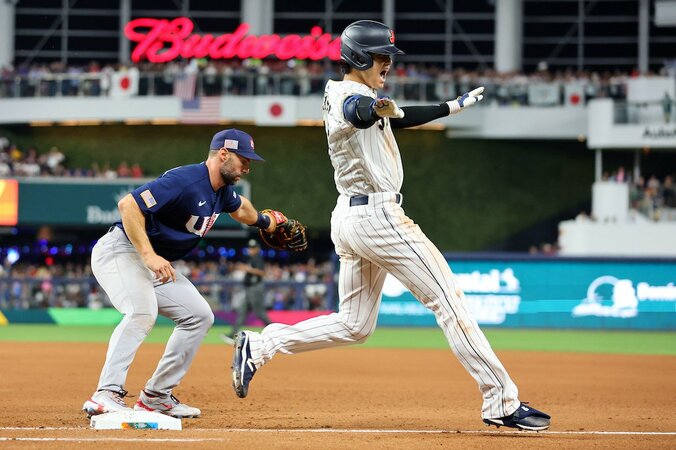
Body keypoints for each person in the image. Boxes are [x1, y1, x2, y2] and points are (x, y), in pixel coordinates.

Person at [231, 20, 551, 431]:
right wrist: (375, 109)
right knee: (449, 302)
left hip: (349, 217)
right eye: (382, 55)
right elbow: (359, 114)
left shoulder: (354, 91)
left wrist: (451, 106)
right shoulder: (351, 96)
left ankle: (261, 344)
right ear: (360, 57)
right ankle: (501, 401)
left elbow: (394, 118)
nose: (388, 63)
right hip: (377, 217)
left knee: (354, 324)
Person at [82, 128, 297, 419]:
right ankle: (105, 394)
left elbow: (241, 209)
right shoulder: (186, 180)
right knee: (142, 312)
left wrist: (265, 222)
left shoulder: (222, 191)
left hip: (154, 263)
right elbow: (129, 205)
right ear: (223, 154)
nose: (247, 166)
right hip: (122, 251)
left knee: (199, 316)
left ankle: (156, 396)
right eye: (243, 159)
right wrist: (149, 255)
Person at [221, 239, 272, 344]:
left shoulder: (258, 258)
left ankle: (276, 332)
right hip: (250, 289)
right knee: (242, 312)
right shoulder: (251, 258)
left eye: (253, 248)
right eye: (249, 247)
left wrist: (247, 269)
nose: (250, 249)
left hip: (255, 288)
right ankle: (232, 335)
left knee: (260, 313)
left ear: (257, 249)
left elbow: (263, 273)